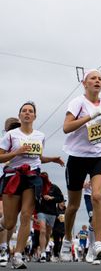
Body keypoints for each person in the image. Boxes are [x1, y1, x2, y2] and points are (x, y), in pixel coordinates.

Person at [60, 69, 101, 261]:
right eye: (93, 78)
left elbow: (96, 130)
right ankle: (67, 239)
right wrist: (89, 117)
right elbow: (66, 127)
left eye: (100, 79)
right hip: (77, 156)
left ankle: (98, 243)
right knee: (74, 205)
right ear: (85, 83)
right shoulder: (78, 102)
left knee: (98, 196)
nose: (97, 81)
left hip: (98, 155)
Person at [0, 101, 64, 269]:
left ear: (35, 116)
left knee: (26, 215)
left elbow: (38, 158)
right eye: (24, 111)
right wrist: (16, 152)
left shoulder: (40, 136)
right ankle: (2, 223)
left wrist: (53, 159)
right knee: (9, 223)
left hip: (32, 177)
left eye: (30, 111)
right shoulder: (11, 135)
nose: (27, 113)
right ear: (20, 115)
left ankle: (18, 255)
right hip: (13, 177)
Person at [0, 117, 20, 266]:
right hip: (2, 178)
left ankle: (4, 247)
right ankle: (3, 249)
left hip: (16, 179)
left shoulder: (24, 139)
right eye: (11, 126)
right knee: (3, 213)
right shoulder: (3, 140)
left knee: (11, 219)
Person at [36, 172, 64, 263]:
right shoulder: (38, 187)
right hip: (41, 212)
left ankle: (44, 248)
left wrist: (52, 198)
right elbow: (34, 199)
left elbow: (61, 198)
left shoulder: (54, 187)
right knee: (42, 230)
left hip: (52, 213)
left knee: (47, 234)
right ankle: (43, 253)